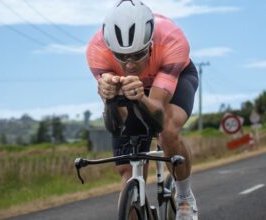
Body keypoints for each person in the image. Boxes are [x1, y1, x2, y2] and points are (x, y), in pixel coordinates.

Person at [86, 0, 198, 219]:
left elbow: (156, 113)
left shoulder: (172, 40)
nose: (129, 65)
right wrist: (109, 98)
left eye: (137, 55)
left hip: (174, 79)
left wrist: (141, 98)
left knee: (167, 131)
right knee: (128, 170)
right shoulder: (96, 50)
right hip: (129, 88)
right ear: (110, 48)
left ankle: (185, 198)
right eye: (121, 57)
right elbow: (118, 123)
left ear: (150, 44)